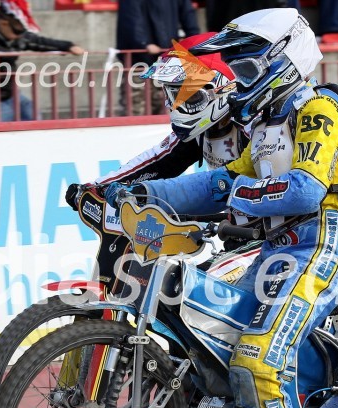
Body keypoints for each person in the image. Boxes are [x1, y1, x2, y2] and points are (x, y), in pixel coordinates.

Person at [103, 8, 338, 408]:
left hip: (325, 242)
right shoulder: (266, 125)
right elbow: (215, 183)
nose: (240, 82)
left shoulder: (318, 110)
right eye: (238, 71)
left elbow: (305, 190)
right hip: (276, 249)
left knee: (257, 357)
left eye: (247, 71)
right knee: (211, 338)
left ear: (286, 60)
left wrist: (239, 197)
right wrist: (139, 193)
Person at [66, 33, 250, 289]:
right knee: (177, 291)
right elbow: (157, 161)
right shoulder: (200, 131)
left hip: (275, 242)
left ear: (222, 88)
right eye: (174, 95)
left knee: (200, 294)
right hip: (237, 239)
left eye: (189, 96)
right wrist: (96, 186)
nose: (177, 105)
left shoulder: (254, 126)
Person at [0, 0, 84, 123]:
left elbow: (41, 42)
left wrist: (68, 46)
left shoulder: (18, 38)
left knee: (33, 117)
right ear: (3, 23)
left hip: (11, 93)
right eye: (17, 30)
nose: (20, 35)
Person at [115, 0, 200, 116]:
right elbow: (131, 19)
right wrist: (143, 43)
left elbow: (188, 16)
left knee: (164, 107)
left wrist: (192, 41)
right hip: (140, 60)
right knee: (137, 108)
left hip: (164, 58)